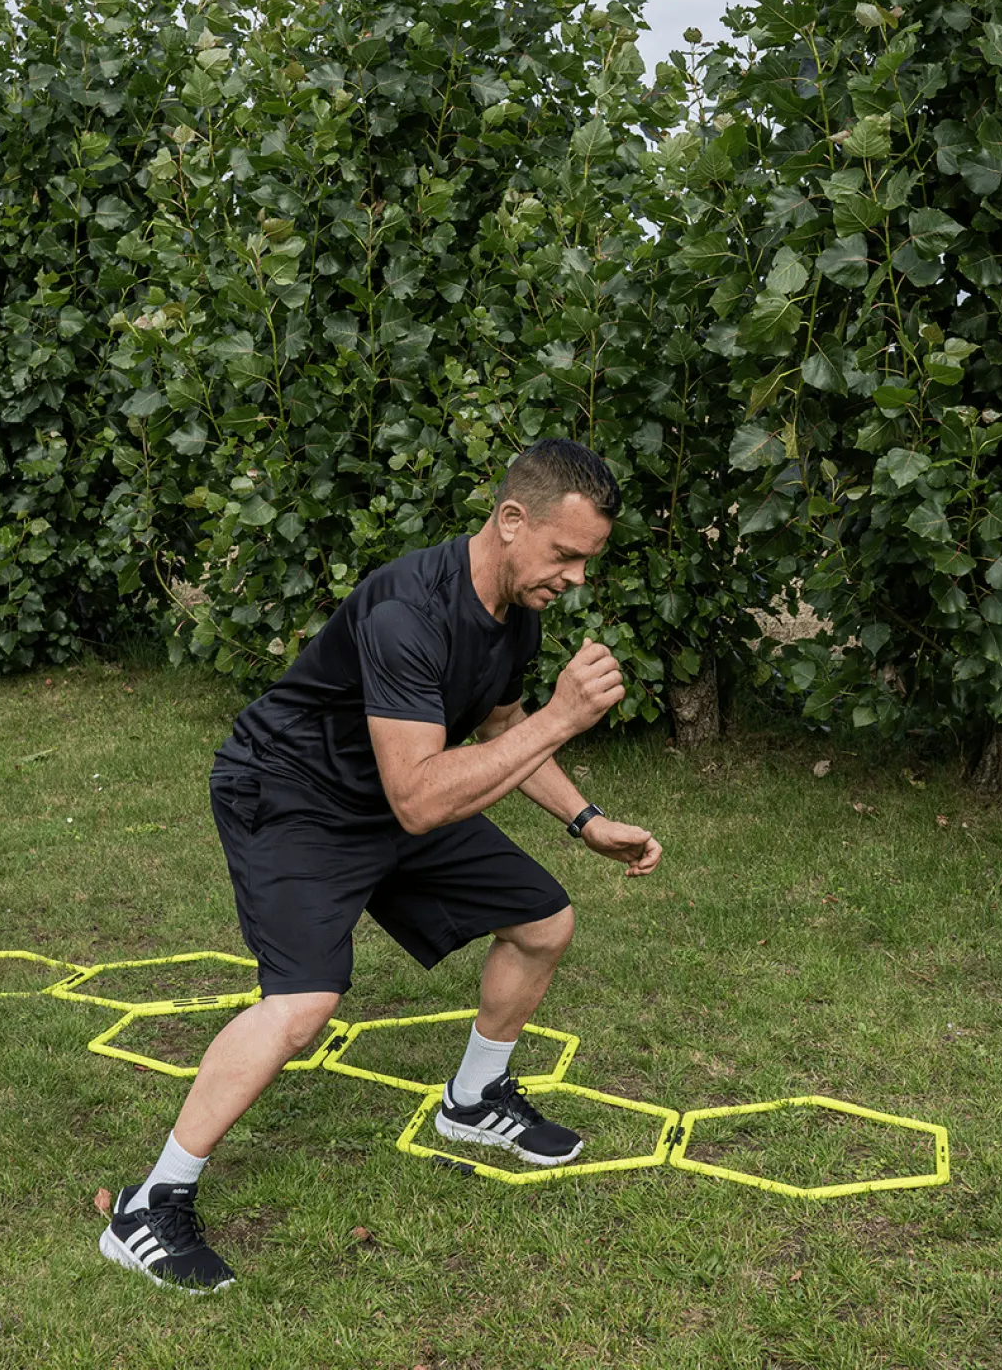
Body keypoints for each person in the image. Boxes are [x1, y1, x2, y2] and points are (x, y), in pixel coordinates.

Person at [98, 439, 663, 1293]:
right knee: (302, 1000)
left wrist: (586, 820)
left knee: (544, 920)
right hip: (291, 792)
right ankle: (150, 1202)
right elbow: (424, 801)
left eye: (588, 560)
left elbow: (499, 730)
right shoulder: (408, 609)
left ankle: (473, 1103)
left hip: (399, 790)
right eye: (566, 555)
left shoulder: (518, 605)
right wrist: (564, 718)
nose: (577, 577)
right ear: (512, 522)